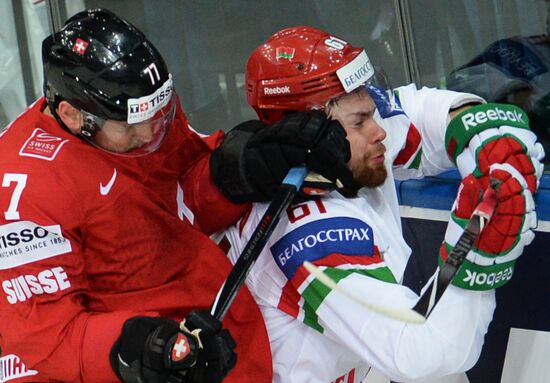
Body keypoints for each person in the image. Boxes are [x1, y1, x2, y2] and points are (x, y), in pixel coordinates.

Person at [0, 10, 355, 383]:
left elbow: (182, 194)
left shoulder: (141, 116)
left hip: (210, 326)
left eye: (160, 115)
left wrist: (247, 166)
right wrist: (138, 349)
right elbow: (41, 332)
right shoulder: (25, 186)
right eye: (133, 126)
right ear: (73, 116)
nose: (151, 133)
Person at [221, 26, 545, 382]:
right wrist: (474, 253)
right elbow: (423, 351)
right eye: (360, 121)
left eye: (370, 113)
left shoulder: (340, 150)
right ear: (304, 131)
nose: (379, 132)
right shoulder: (307, 239)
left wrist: (478, 130)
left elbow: (413, 111)